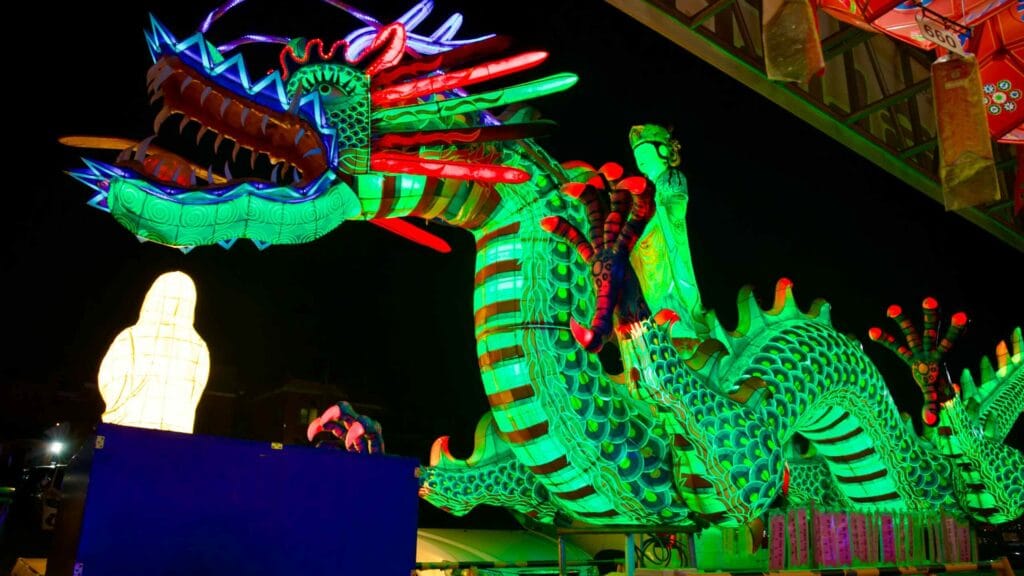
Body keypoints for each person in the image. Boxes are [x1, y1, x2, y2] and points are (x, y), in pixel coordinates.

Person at [627, 124, 708, 341]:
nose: (640, 159)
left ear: (663, 151)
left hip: (668, 244)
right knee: (651, 294)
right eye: (637, 155)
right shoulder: (640, 190)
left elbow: (676, 209)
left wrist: (651, 214)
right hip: (647, 255)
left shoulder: (671, 178)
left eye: (645, 152)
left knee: (674, 287)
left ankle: (684, 326)